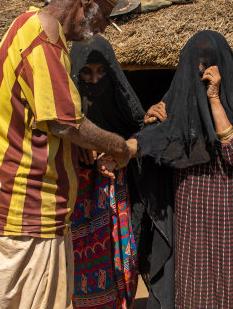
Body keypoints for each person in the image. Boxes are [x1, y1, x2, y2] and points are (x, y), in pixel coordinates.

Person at [0, 0, 132, 309]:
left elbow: (43, 125)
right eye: (104, 14)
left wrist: (82, 153)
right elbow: (66, 123)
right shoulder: (42, 42)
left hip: (22, 214)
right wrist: (119, 147)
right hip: (26, 214)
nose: (105, 24)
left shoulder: (29, 28)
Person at [129, 30, 233, 308]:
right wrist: (148, 124)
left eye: (209, 61)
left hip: (228, 215)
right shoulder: (176, 106)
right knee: (194, 283)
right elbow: (156, 150)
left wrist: (215, 99)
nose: (202, 70)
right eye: (196, 63)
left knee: (230, 281)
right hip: (189, 214)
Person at [68, 34, 147, 309]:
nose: (93, 79)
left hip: (120, 195)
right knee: (84, 269)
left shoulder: (121, 105)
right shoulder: (65, 114)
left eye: (102, 71)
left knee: (123, 261)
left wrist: (117, 152)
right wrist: (78, 147)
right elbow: (58, 137)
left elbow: (138, 132)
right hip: (79, 201)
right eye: (86, 72)